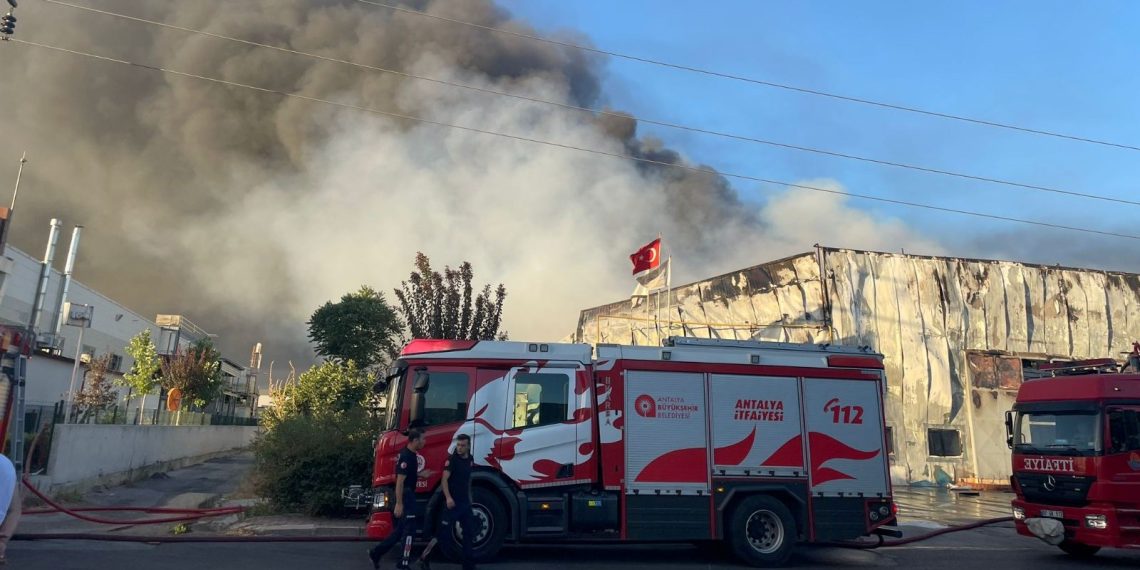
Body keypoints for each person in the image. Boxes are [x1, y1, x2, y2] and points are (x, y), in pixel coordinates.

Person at [369, 428, 434, 570]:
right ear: (415, 440)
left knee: (400, 531)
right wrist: (399, 504)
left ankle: (376, 552)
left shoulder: (411, 454)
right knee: (410, 529)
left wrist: (421, 474)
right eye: (423, 439)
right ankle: (403, 562)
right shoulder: (406, 457)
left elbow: (408, 475)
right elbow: (400, 482)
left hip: (407, 494)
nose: (425, 442)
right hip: (406, 496)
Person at [418, 433, 476, 570]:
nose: (460, 448)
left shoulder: (470, 460)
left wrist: (470, 499)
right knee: (442, 534)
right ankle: (424, 558)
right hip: (452, 503)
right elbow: (444, 480)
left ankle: (468, 566)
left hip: (465, 503)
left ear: (468, 447)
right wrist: (448, 498)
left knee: (469, 533)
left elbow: (468, 481)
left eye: (463, 445)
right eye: (458, 445)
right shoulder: (452, 460)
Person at [0, 454, 18, 565]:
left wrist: (2, 542)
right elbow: (15, 510)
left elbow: (14, 509)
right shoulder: (5, 466)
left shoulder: (5, 467)